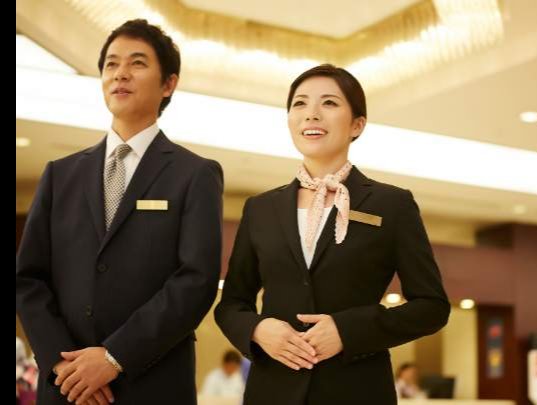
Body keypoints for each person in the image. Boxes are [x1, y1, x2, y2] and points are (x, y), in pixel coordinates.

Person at [215, 64, 450, 404]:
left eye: (328, 103)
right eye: (300, 103)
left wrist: (348, 330)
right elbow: (232, 304)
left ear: (357, 124)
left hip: (356, 390)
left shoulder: (392, 204)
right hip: (273, 391)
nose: (311, 114)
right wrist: (258, 329)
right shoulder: (260, 209)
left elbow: (432, 307)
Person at [16, 19, 223, 404]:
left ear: (168, 84)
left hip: (152, 385)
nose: (120, 73)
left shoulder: (195, 175)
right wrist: (62, 365)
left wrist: (114, 357)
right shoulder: (60, 174)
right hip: (66, 388)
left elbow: (195, 281)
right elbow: (28, 278)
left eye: (137, 63)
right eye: (111, 64)